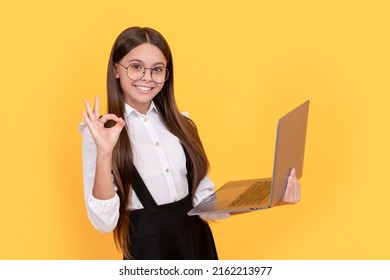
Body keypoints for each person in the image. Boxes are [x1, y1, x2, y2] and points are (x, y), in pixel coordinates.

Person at [78, 26, 301, 260]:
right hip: (148, 254)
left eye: (157, 69)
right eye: (135, 67)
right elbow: (104, 222)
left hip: (197, 247)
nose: (147, 77)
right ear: (116, 69)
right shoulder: (100, 133)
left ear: (167, 74)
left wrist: (271, 198)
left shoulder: (182, 124)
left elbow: (205, 202)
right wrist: (105, 153)